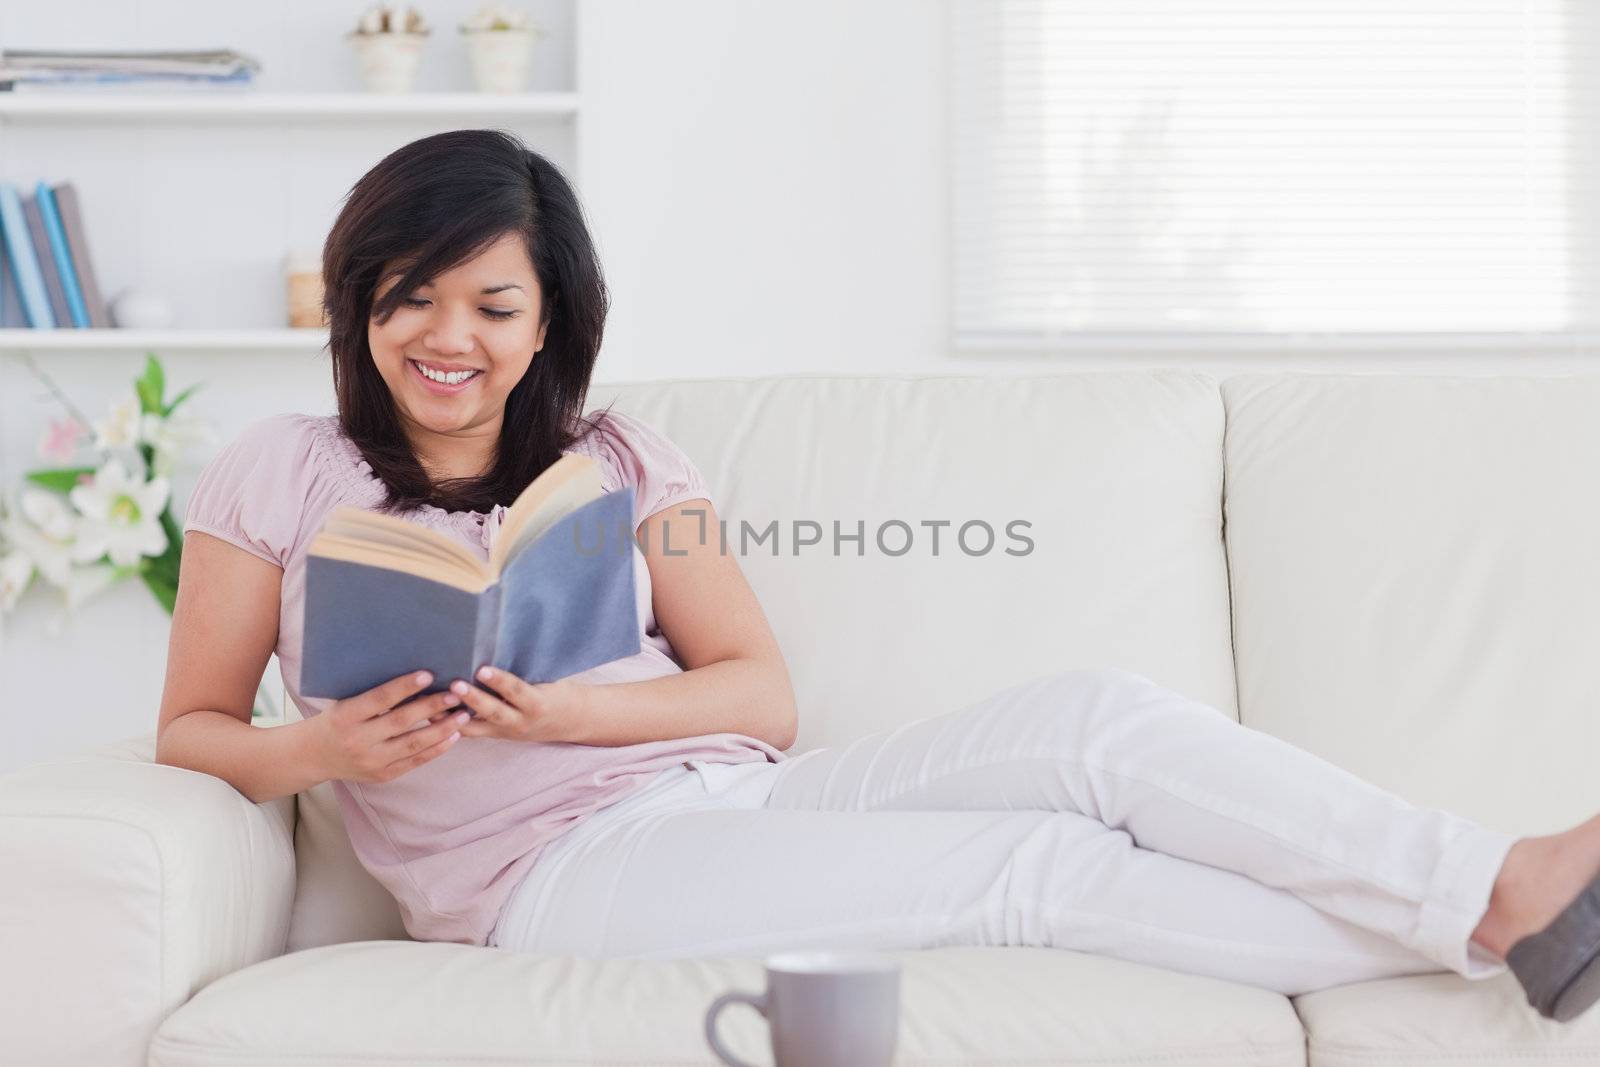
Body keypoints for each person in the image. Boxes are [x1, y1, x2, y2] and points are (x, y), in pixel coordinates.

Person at [156, 128, 1600, 1023]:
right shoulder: (277, 468)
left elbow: (761, 697)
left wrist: (570, 711)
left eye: (493, 300)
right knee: (1042, 871)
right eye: (410, 295)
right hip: (550, 880)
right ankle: (1490, 923)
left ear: (550, 324)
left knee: (1094, 720)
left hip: (722, 788)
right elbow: (193, 732)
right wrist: (322, 748)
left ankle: (1497, 890)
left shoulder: (624, 458)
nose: (446, 335)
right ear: (359, 304)